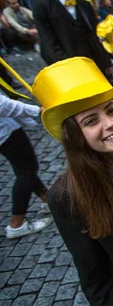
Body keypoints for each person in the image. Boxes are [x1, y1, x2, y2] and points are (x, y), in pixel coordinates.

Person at [32, 57, 113, 305]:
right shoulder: (66, 197)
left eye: (112, 110)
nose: (110, 124)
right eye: (91, 121)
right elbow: (93, 278)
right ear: (75, 137)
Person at [33, 0, 112, 79]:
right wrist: (66, 68)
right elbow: (48, 40)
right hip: (70, 67)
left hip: (95, 63)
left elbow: (97, 34)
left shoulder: (84, 3)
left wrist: (106, 60)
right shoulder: (42, 6)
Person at [1, 91, 51, 239]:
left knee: (24, 168)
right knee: (27, 170)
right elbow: (2, 105)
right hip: (5, 131)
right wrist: (37, 110)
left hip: (5, 130)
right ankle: (17, 222)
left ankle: (48, 200)